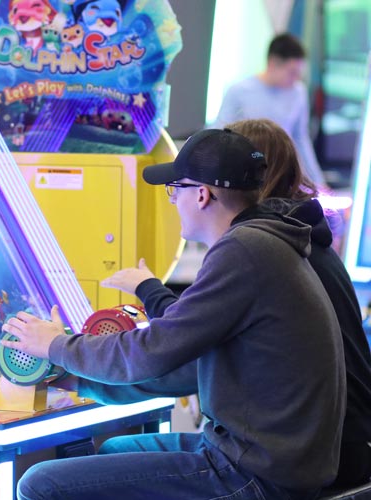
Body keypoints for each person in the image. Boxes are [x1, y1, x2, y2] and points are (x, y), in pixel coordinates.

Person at [0, 128, 346, 499]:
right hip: (277, 461)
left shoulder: (244, 252)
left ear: (202, 194)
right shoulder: (266, 243)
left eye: (175, 189)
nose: (171, 201)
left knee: (40, 484)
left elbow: (152, 350)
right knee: (119, 448)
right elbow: (187, 365)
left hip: (255, 474)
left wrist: (55, 346)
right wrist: (78, 378)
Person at [104, 117, 371, 491]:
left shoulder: (258, 248)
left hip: (301, 457)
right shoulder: (295, 236)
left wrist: (72, 368)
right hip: (338, 446)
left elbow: (186, 350)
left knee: (45, 483)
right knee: (118, 451)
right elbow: (204, 332)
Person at [213, 33, 327, 188]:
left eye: (299, 74)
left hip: (282, 173)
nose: (296, 78)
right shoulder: (239, 91)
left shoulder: (298, 92)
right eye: (292, 72)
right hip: (246, 173)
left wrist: (318, 181)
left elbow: (301, 139)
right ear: (273, 63)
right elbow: (220, 134)